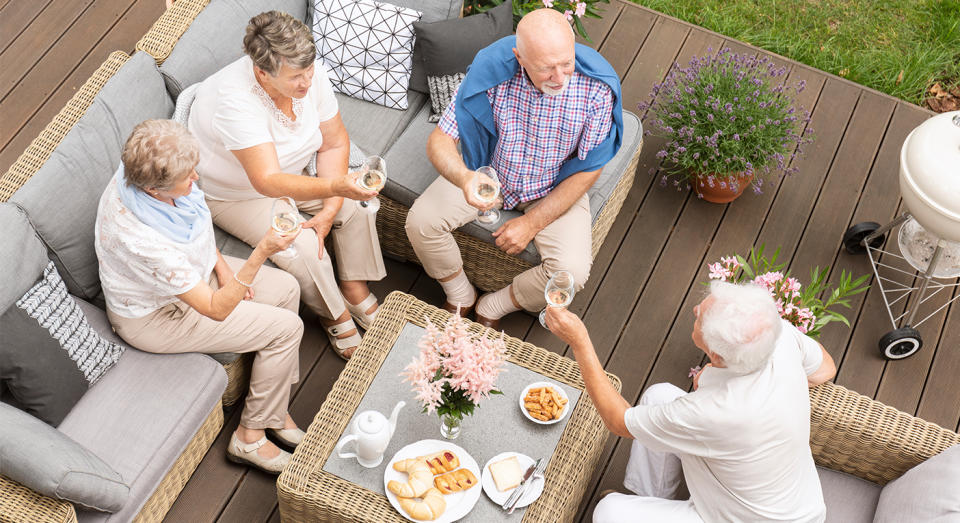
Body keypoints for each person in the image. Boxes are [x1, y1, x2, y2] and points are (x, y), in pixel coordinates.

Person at [95, 119, 306, 474]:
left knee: (287, 289)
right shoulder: (142, 239)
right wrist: (262, 251)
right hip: (157, 315)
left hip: (192, 274)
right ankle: (249, 437)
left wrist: (223, 269)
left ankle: (274, 405)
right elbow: (215, 308)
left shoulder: (146, 176)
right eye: (187, 177)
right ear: (153, 190)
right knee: (287, 329)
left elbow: (196, 226)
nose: (195, 178)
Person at [405, 8, 624, 329]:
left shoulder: (598, 88)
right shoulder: (491, 71)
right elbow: (440, 140)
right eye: (547, 69)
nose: (561, 78)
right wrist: (465, 179)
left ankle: (495, 305)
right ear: (519, 57)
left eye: (566, 63)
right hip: (489, 171)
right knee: (420, 222)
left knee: (571, 275)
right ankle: (460, 293)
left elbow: (590, 168)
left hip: (554, 185)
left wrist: (534, 222)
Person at [545, 281, 836, 522]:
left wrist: (579, 341)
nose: (695, 309)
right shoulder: (774, 335)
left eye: (700, 318)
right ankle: (650, 499)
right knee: (658, 396)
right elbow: (826, 368)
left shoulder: (715, 412)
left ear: (717, 353)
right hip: (775, 495)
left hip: (737, 518)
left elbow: (617, 421)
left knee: (607, 514)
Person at [188, 11, 385, 359]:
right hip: (239, 194)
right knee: (303, 248)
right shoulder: (234, 102)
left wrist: (332, 206)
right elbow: (266, 180)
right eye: (296, 76)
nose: (307, 81)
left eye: (310, 70)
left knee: (359, 205)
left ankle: (354, 288)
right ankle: (334, 315)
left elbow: (335, 143)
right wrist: (337, 186)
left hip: (293, 172)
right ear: (263, 73)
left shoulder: (310, 73)